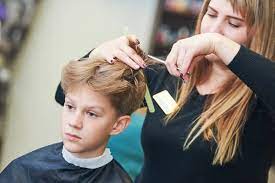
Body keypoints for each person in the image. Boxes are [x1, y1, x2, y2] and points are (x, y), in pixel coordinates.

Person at [72, 0, 274, 182]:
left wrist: (217, 43)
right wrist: (97, 54)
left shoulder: (261, 100)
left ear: (260, 32)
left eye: (233, 23)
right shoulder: (166, 76)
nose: (213, 29)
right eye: (211, 14)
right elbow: (65, 96)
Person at [0, 58, 147, 183]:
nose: (74, 123)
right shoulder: (23, 172)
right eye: (70, 106)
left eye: (91, 114)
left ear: (118, 125)